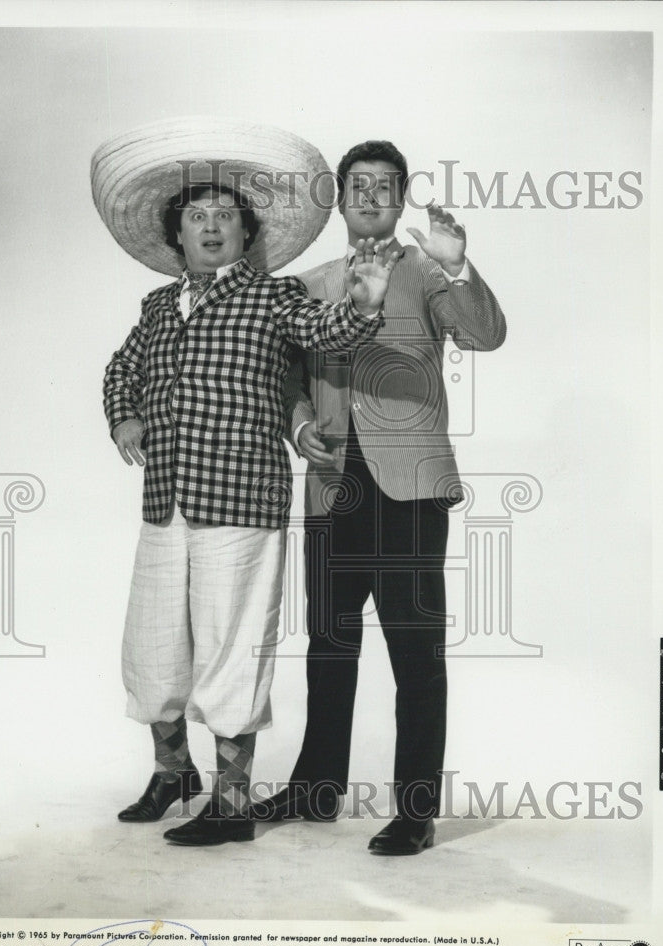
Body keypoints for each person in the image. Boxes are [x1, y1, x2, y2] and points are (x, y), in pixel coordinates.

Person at [93, 119, 398, 847]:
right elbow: (119, 371)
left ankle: (231, 804)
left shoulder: (270, 297)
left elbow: (329, 334)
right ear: (176, 232)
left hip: (241, 501)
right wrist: (124, 419)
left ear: (245, 233)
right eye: (196, 216)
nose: (210, 226)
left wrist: (362, 303)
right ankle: (175, 773)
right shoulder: (160, 307)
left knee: (232, 649)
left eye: (224, 217)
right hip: (166, 501)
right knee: (154, 648)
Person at [252, 139, 506, 855]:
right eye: (356, 186)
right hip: (333, 485)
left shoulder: (428, 272)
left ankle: (416, 810)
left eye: (383, 187)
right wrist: (298, 426)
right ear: (338, 198)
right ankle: (316, 790)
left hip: (411, 486)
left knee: (414, 649)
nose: (368, 197)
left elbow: (486, 334)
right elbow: (287, 380)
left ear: (401, 198)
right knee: (330, 645)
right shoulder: (306, 284)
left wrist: (458, 264)